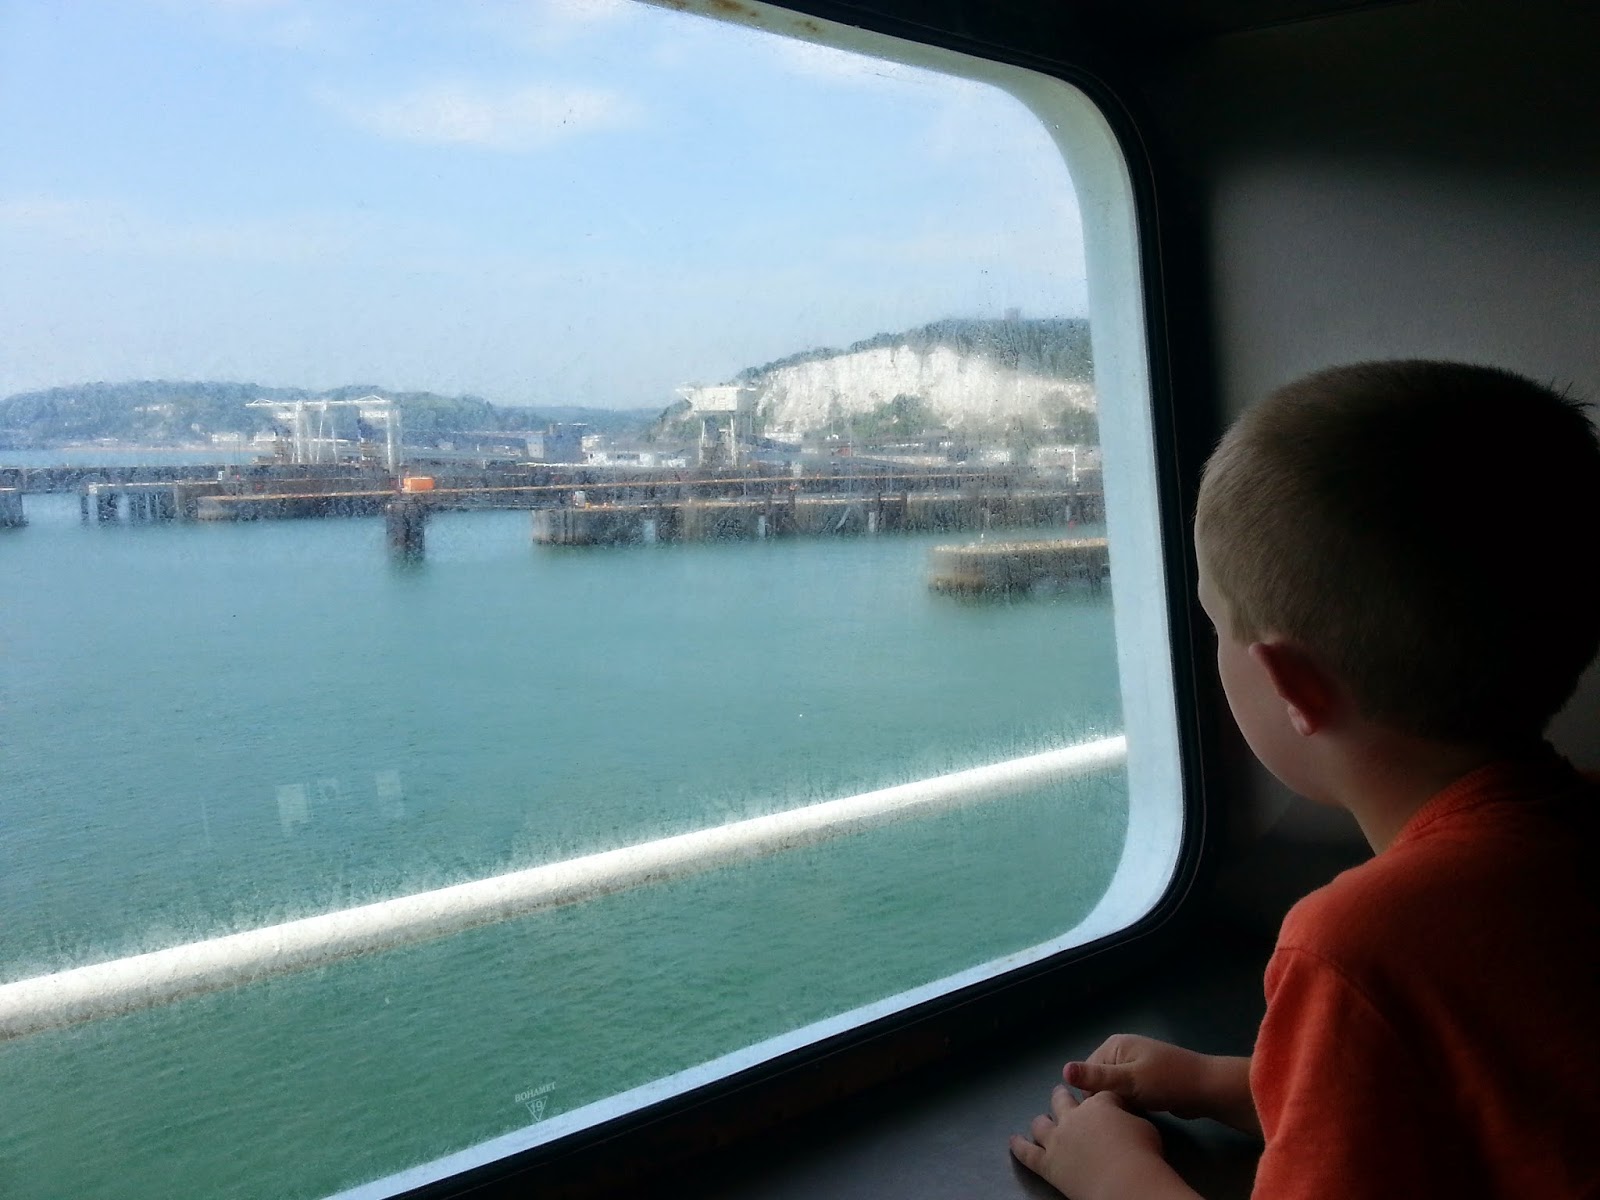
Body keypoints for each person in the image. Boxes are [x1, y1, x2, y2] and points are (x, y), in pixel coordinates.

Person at [1010, 360, 1600, 1199]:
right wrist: (1225, 1083)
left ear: (1293, 686)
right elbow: (1506, 1105)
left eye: (1216, 625)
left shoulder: (1360, 944)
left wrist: (1113, 1175)